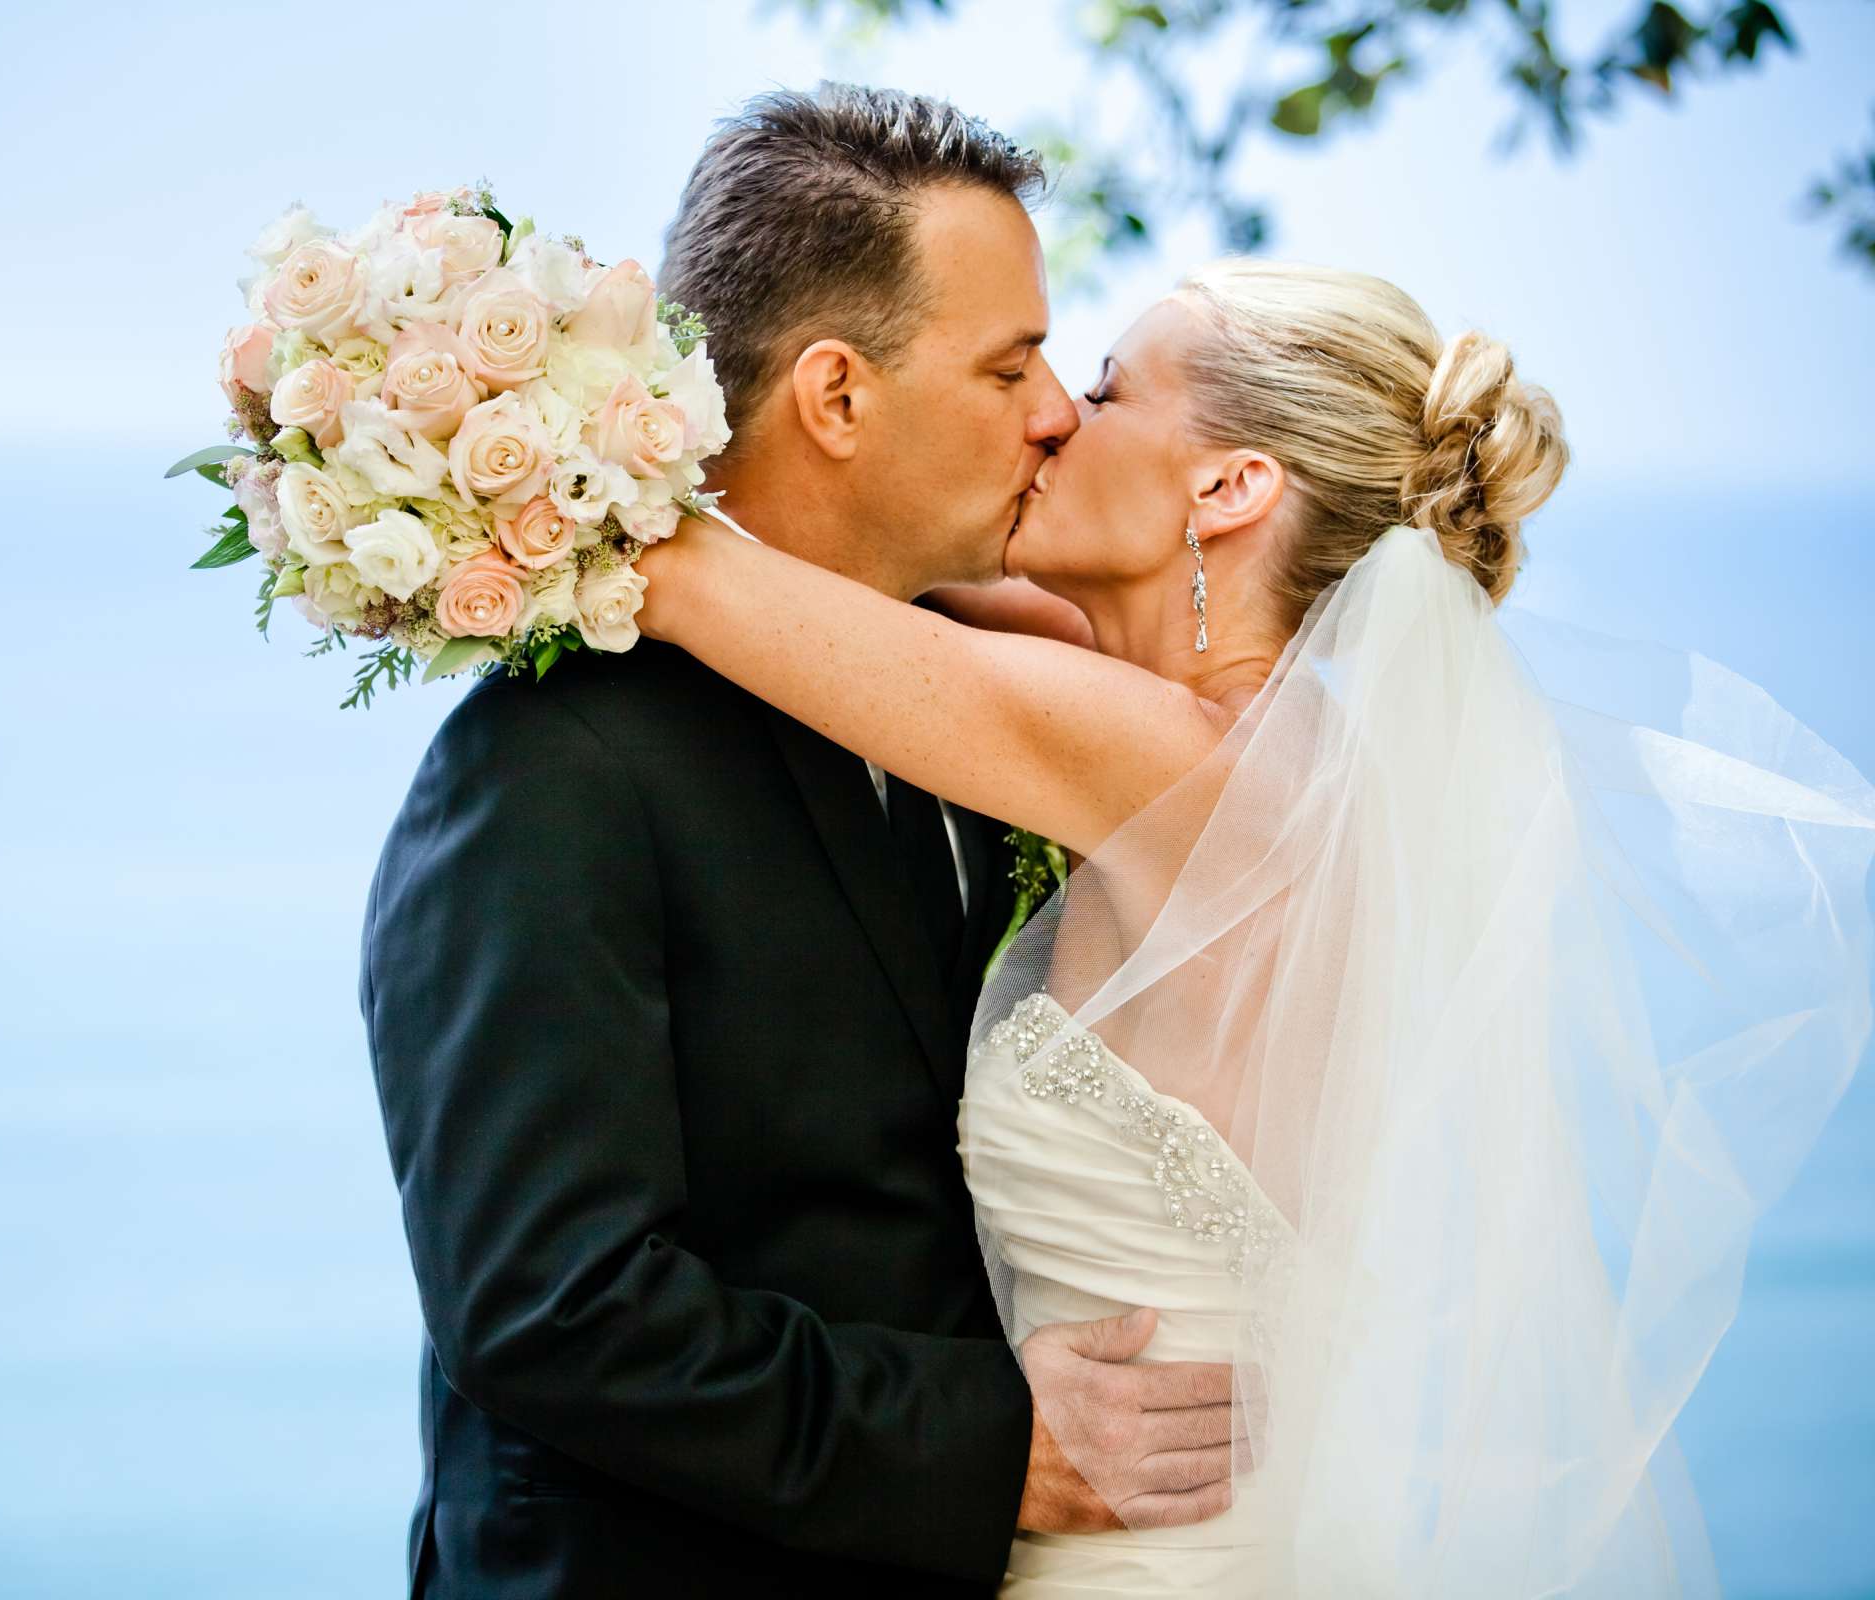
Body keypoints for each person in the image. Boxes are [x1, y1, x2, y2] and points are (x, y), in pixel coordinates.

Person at [631, 253, 1875, 1594]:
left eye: (1106, 392)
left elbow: (695, 577)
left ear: (1228, 486)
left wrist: (495, 406)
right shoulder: (1282, 748)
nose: (1054, 415)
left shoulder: (1180, 766)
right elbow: (899, 577)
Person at [358, 86, 1244, 1597]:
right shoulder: (555, 762)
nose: (1051, 414)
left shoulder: (984, 718)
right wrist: (986, 1445)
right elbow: (548, 1303)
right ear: (837, 398)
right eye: (1009, 361)